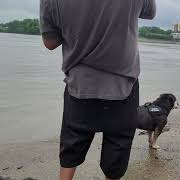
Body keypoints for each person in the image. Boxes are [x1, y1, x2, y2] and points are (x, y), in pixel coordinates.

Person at [39, 0, 156, 179]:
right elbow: (149, 12)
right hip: (123, 83)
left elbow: (50, 42)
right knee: (117, 149)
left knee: (71, 145)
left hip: (80, 84)